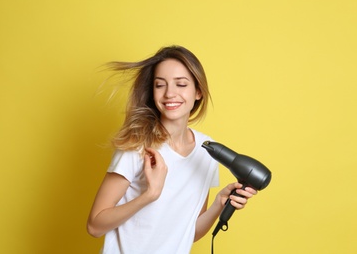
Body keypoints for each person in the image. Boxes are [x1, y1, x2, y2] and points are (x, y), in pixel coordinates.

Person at [87, 45, 257, 253]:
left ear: (198, 91)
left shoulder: (207, 151)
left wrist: (219, 204)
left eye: (181, 84)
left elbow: (188, 233)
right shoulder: (137, 146)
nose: (170, 93)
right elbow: (95, 226)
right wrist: (150, 194)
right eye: (160, 85)